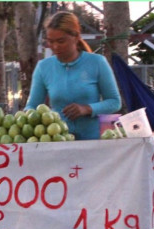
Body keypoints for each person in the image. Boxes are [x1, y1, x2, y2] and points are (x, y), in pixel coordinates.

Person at [24, 11, 121, 140]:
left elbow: (114, 102)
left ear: (76, 37)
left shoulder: (97, 62)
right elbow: (31, 106)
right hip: (57, 143)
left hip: (92, 142)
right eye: (50, 42)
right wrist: (31, 116)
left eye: (61, 41)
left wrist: (87, 109)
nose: (55, 46)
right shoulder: (43, 67)